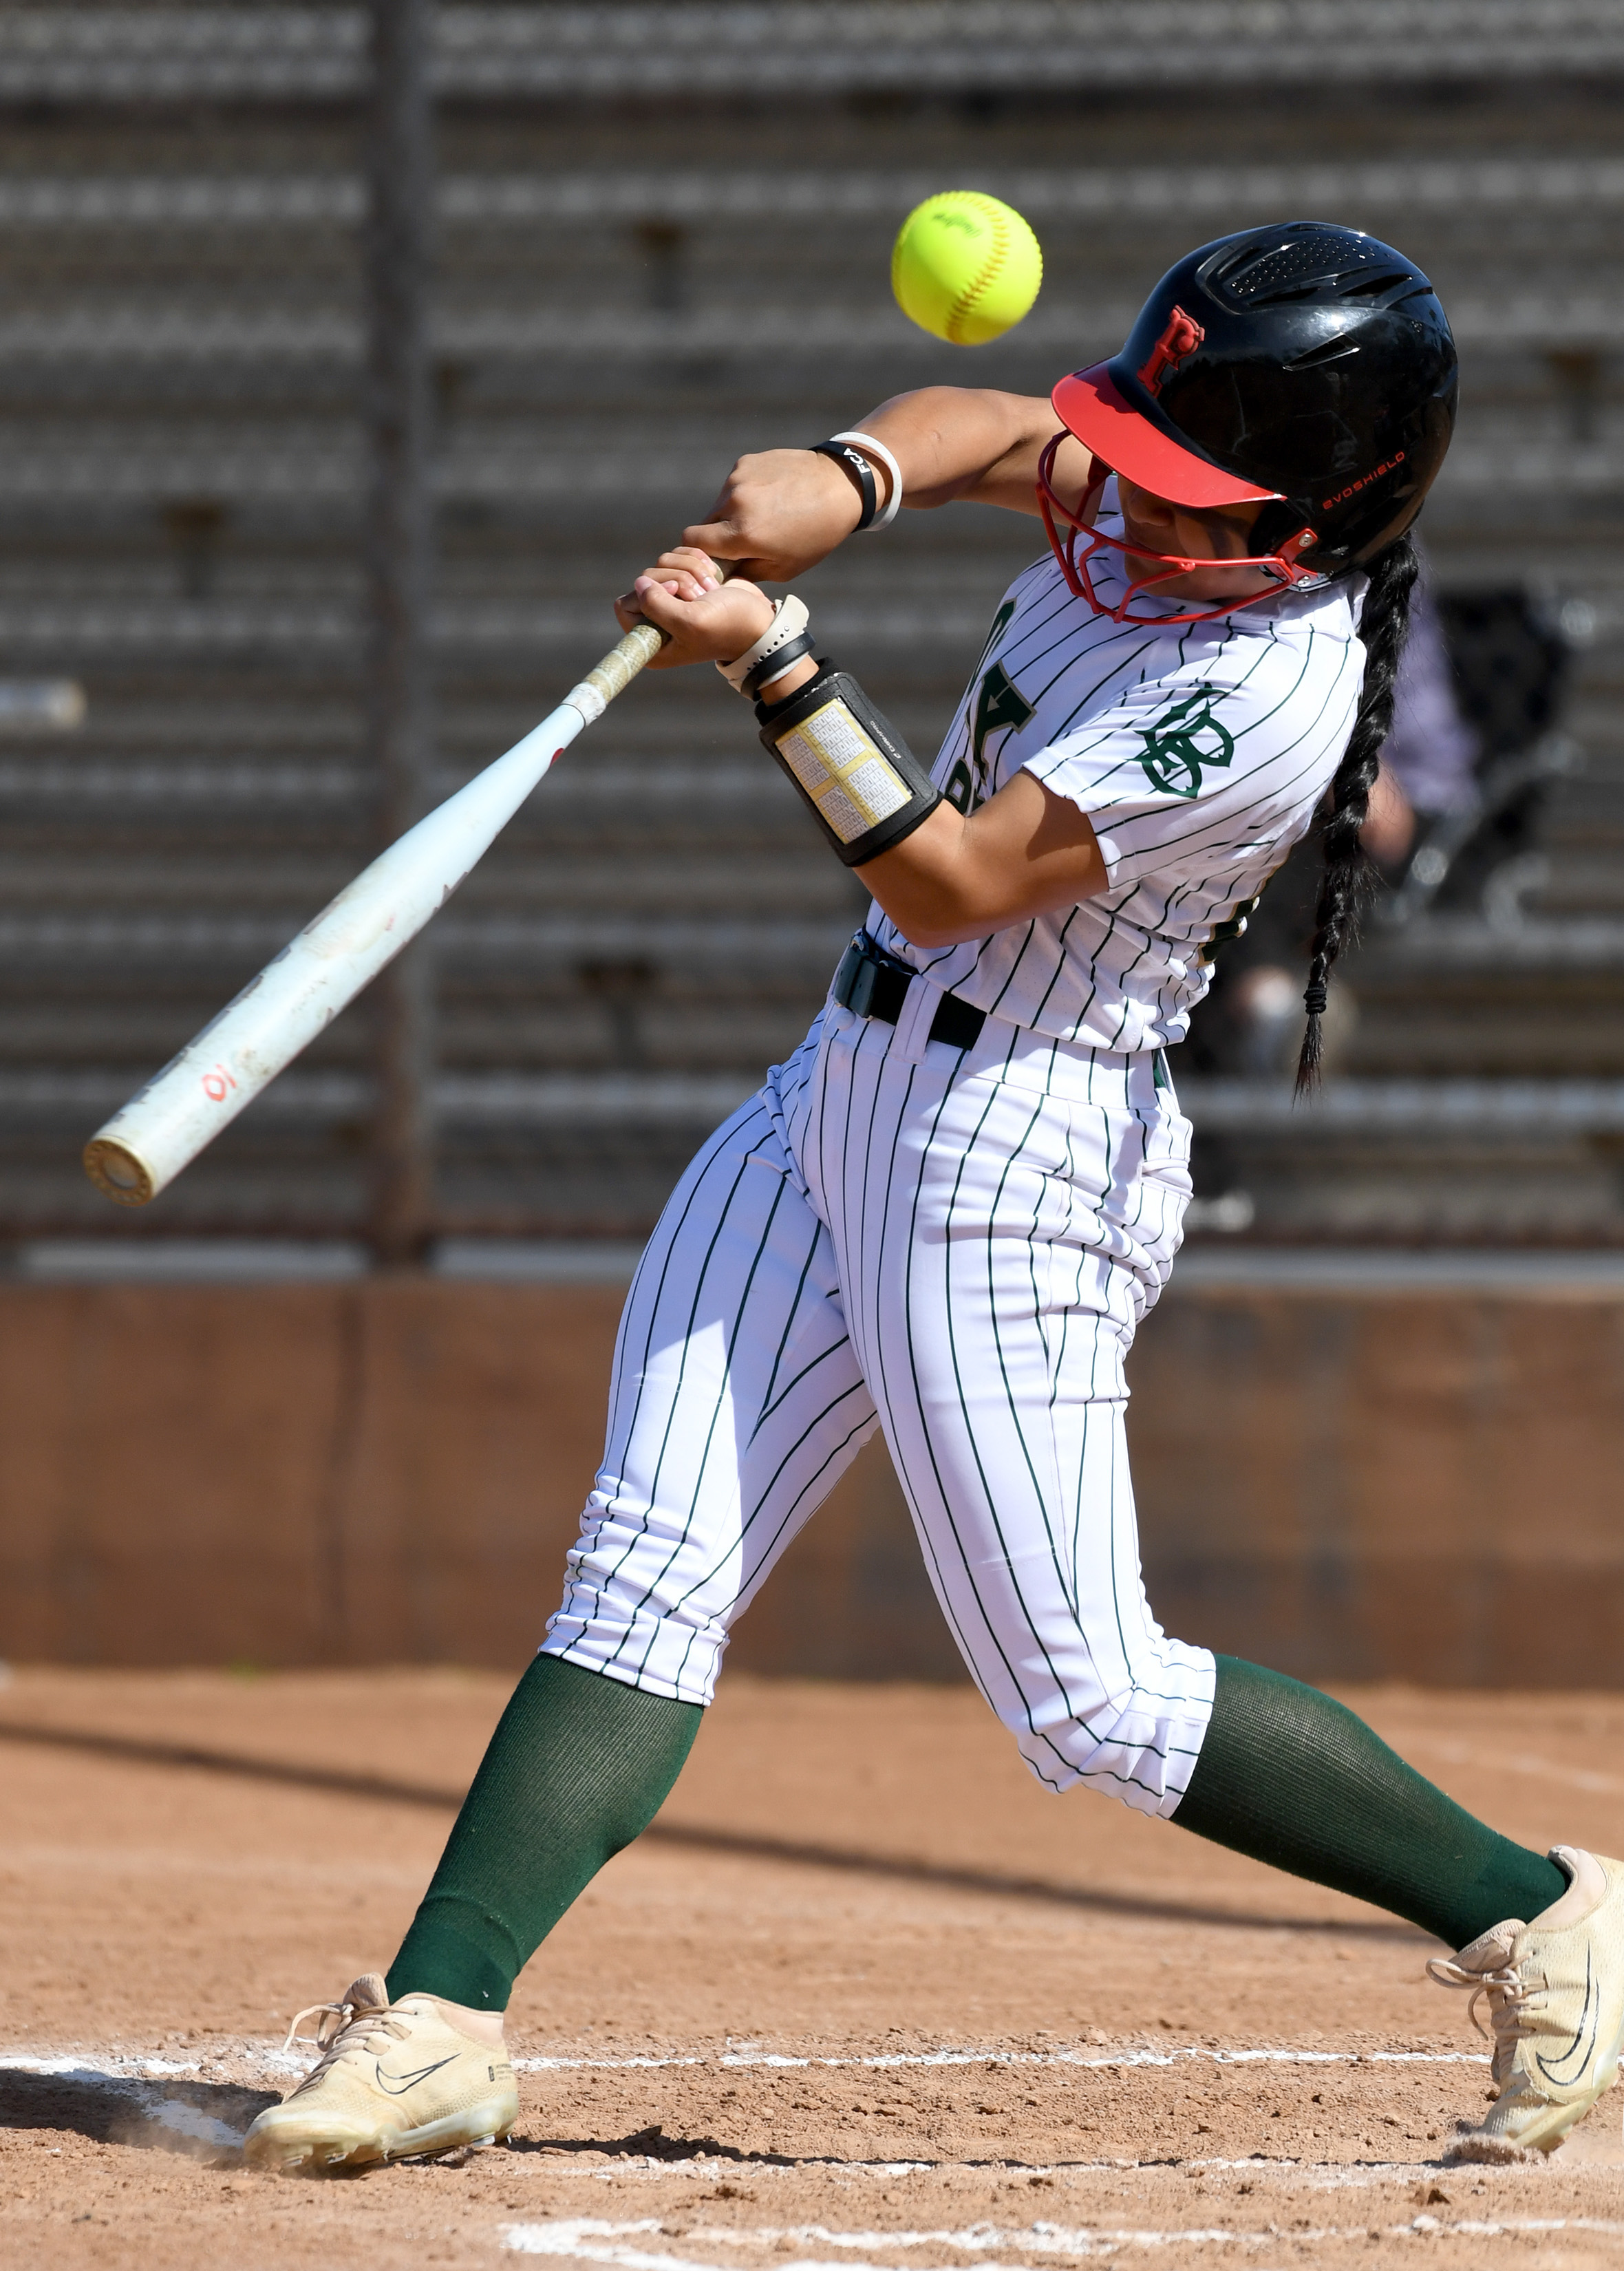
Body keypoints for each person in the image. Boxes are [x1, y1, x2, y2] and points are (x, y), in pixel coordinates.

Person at [244, 222, 1624, 2175]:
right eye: (1138, 456)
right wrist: (852, 476)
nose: (1131, 503)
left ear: (1325, 516)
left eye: (1192, 492)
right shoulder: (1161, 495)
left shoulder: (1262, 690)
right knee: (646, 1558)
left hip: (1018, 1160)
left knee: (1093, 1698)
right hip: (848, 1084)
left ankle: (1547, 1910)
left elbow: (958, 882)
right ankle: (444, 2018)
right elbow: (989, 426)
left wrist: (776, 658)